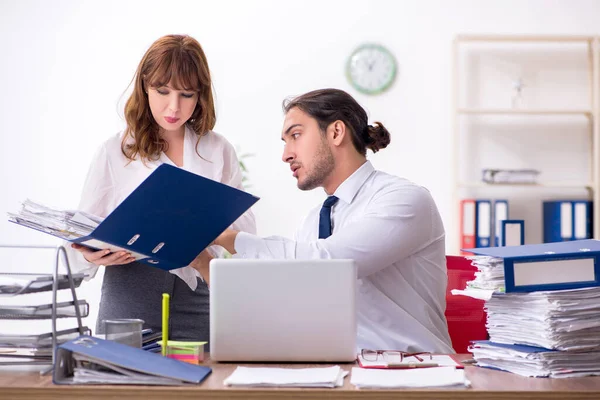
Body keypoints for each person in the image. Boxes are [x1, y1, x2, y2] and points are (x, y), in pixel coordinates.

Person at [205, 88, 452, 353]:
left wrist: (232, 239)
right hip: (339, 373)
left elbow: (331, 264)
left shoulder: (403, 199)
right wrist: (202, 263)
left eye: (295, 136)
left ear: (336, 132)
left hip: (415, 372)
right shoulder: (311, 223)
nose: (286, 155)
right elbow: (288, 304)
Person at [67, 34, 256, 342]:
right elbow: (81, 234)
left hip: (197, 297)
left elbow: (244, 235)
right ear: (145, 85)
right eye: (162, 90)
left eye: (186, 94)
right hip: (128, 296)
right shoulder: (115, 151)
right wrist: (92, 255)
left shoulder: (218, 150)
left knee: (204, 385)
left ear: (200, 95)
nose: (173, 106)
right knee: (123, 385)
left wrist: (207, 239)